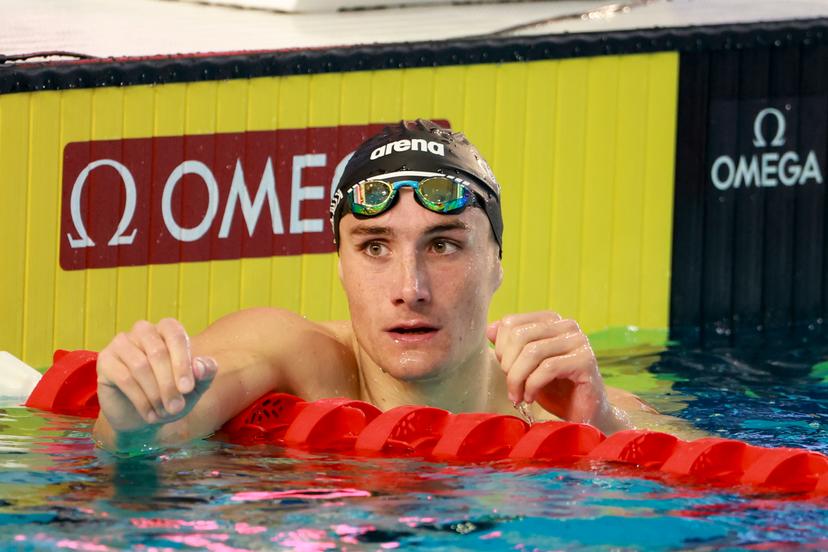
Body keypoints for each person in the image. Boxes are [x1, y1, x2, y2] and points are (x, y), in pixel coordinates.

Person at [93, 119, 681, 452]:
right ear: (340, 265)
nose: (411, 287)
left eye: (443, 244)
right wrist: (131, 421)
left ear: (498, 263)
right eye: (375, 247)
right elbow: (166, 429)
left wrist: (602, 432)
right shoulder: (294, 354)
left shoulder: (568, 402)